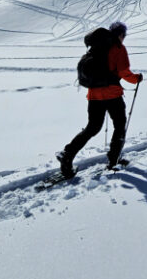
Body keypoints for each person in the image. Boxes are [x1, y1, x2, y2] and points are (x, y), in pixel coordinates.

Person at [58, 21, 142, 178]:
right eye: (124, 35)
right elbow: (124, 72)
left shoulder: (96, 47)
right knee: (119, 125)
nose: (124, 38)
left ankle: (67, 153)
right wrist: (137, 78)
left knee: (93, 127)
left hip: (94, 95)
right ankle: (114, 160)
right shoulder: (118, 48)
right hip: (112, 95)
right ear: (120, 34)